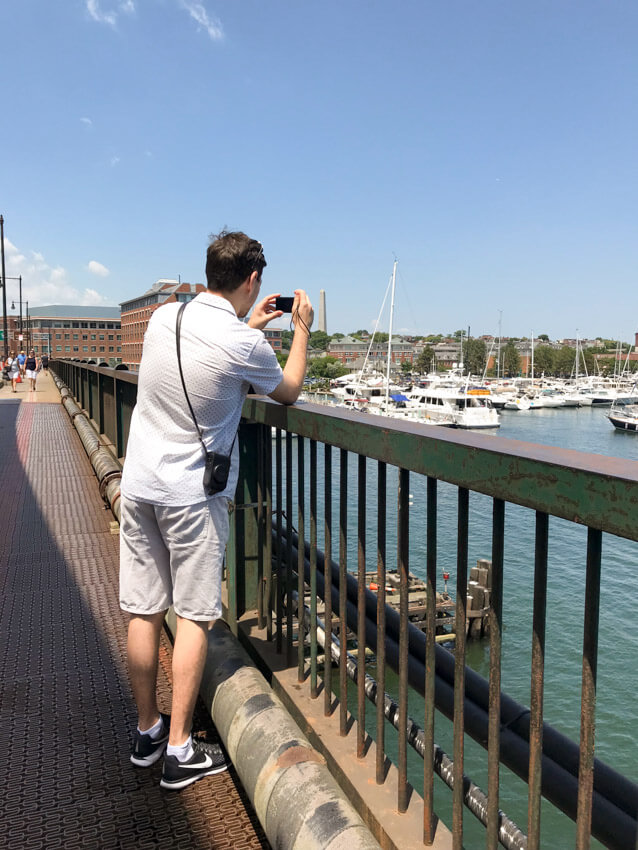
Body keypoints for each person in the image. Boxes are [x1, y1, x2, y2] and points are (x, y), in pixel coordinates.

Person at [119, 230, 313, 791]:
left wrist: (250, 327)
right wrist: (299, 326)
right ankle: (180, 750)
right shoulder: (245, 345)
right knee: (196, 616)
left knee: (143, 610)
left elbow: (209, 351)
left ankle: (147, 731)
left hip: (139, 485)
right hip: (191, 499)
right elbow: (290, 389)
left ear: (208, 272)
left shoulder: (163, 319)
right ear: (253, 280)